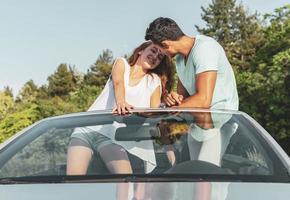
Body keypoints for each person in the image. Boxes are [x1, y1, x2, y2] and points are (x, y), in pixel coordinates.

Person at [66, 41, 174, 200]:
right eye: (153, 51)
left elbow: (154, 112)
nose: (154, 57)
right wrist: (121, 102)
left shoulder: (154, 80)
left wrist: (168, 146)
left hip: (112, 137)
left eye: (159, 57)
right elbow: (118, 83)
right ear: (141, 51)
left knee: (126, 182)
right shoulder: (121, 63)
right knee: (72, 185)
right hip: (86, 130)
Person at [145, 17, 239, 110]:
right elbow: (183, 99)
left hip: (223, 119)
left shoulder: (205, 48)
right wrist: (174, 99)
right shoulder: (179, 60)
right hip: (200, 121)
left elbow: (203, 100)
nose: (161, 54)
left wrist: (170, 110)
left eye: (159, 49)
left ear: (165, 44)